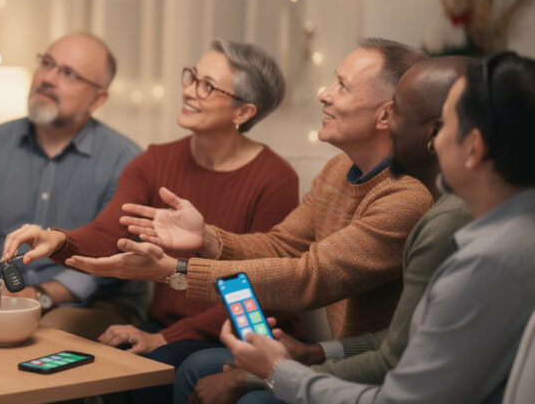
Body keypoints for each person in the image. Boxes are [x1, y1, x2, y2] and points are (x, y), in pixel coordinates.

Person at [64, 38, 433, 356]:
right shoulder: (337, 171)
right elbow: (282, 245)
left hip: (361, 364)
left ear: (385, 115)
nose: (324, 94)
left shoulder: (404, 199)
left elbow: (309, 277)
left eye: (342, 86)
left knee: (188, 365)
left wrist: (176, 272)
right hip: (332, 356)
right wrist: (207, 237)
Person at [220, 51, 535, 404]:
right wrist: (312, 355)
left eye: (443, 125)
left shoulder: (483, 260)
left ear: (474, 147)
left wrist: (277, 373)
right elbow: (405, 343)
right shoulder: (506, 233)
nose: (392, 128)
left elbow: (398, 396)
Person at [1, 39, 299, 403]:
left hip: (238, 333)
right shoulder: (155, 161)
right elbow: (108, 232)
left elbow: (260, 289)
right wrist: (56, 239)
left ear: (243, 112)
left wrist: (165, 339)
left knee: (156, 364)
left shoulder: (275, 179)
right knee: (108, 364)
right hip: (166, 324)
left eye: (207, 86)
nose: (188, 91)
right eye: (191, 77)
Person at [0, 32, 146, 339]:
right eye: (47, 64)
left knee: (44, 336)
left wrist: (42, 294)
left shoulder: (126, 161)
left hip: (89, 302)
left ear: (97, 99)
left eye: (69, 74)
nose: (48, 78)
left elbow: (112, 259)